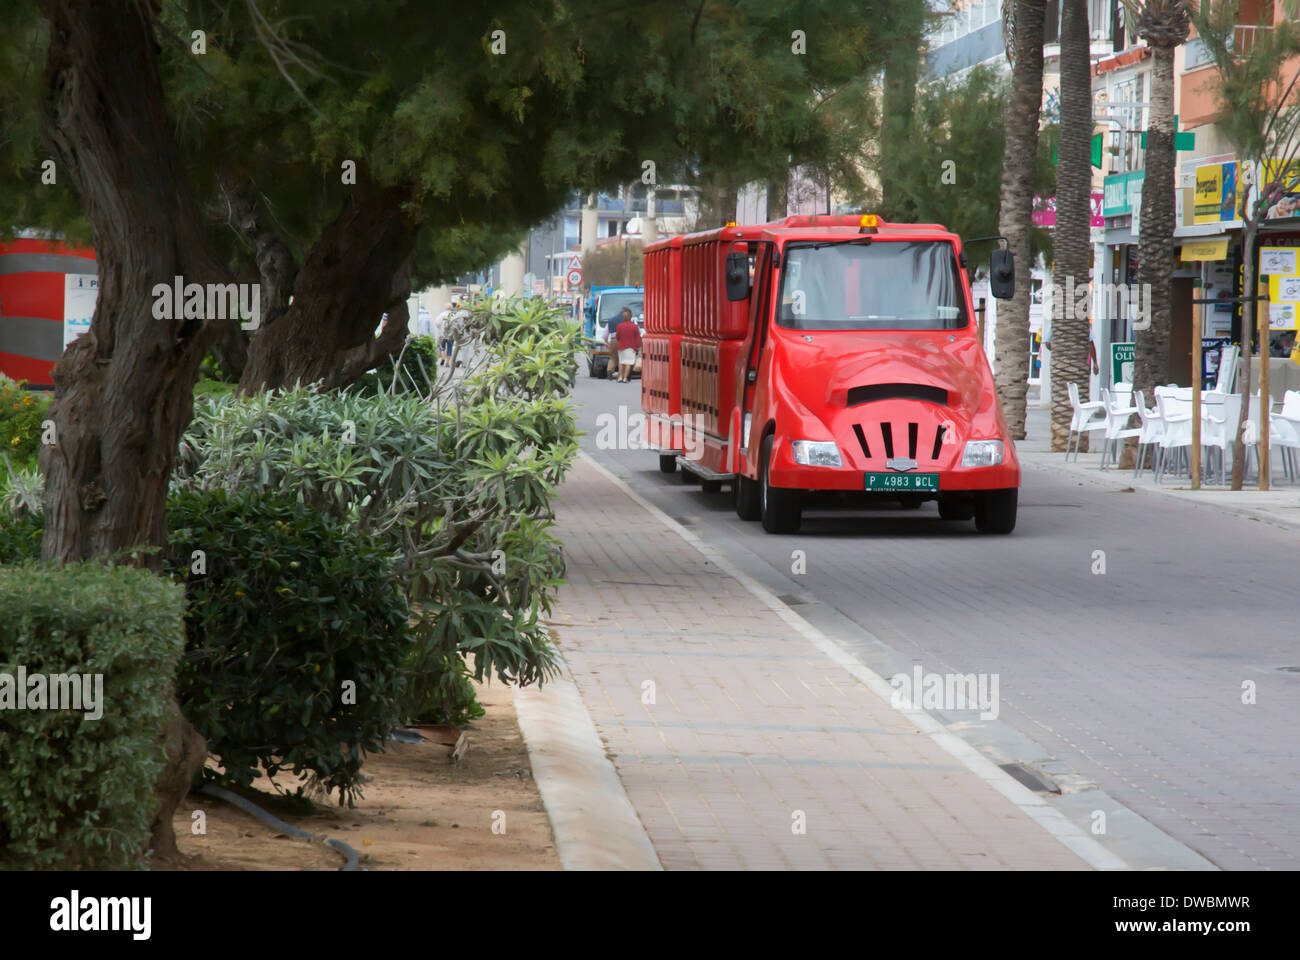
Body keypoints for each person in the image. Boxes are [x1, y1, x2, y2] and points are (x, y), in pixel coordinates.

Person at [612, 306, 642, 383]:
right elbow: (637, 338)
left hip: (621, 347)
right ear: (630, 317)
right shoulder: (634, 327)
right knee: (629, 363)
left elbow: (617, 336)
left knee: (621, 362)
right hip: (631, 347)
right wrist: (639, 346)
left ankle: (620, 377)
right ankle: (625, 378)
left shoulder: (619, 326)